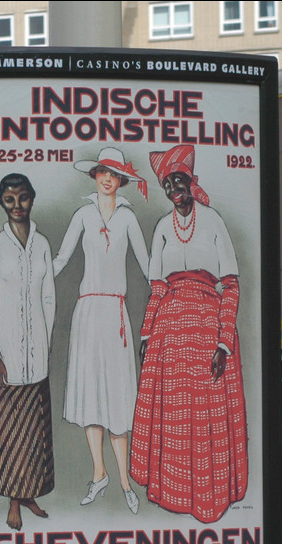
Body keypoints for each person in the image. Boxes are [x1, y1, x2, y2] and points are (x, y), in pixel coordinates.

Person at [131, 144, 248, 524]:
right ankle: (172, 493)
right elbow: (158, 288)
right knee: (172, 416)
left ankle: (207, 497)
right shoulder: (163, 227)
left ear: (190, 181)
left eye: (179, 180)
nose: (174, 188)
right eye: (168, 182)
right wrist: (147, 332)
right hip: (169, 331)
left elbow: (230, 285)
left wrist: (223, 343)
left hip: (205, 330)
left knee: (205, 414)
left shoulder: (212, 220)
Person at [52, 147, 150, 513]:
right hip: (88, 310)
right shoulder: (82, 214)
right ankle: (99, 475)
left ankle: (125, 482)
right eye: (101, 173)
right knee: (91, 396)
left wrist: (171, 290)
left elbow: (147, 263)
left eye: (114, 174)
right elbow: (62, 258)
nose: (107, 179)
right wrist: (38, 280)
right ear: (94, 176)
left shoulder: (127, 218)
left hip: (115, 312)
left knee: (118, 399)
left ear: (121, 179)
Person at [0, 173, 56, 531]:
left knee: (35, 430)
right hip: (7, 350)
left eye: (23, 198)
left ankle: (31, 493)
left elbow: (49, 297)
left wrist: (46, 341)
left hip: (37, 349)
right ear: (1, 203)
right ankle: (13, 502)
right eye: (10, 200)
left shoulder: (41, 244)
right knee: (11, 430)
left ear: (32, 198)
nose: (18, 206)